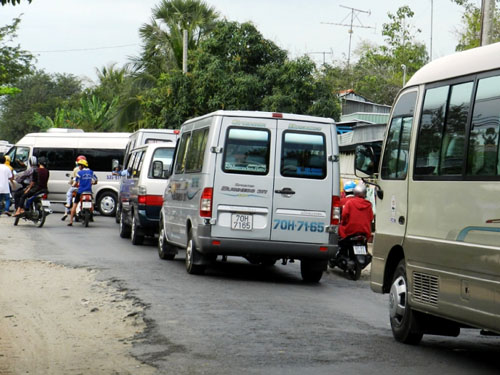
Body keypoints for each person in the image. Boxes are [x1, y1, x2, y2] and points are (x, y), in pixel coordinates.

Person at [67, 158, 97, 226]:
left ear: (82, 166)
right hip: (89, 192)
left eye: (79, 165)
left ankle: (71, 221)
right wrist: (92, 183)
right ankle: (91, 215)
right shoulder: (91, 172)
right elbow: (96, 180)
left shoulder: (79, 173)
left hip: (80, 192)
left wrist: (72, 185)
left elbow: (75, 183)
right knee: (91, 203)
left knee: (74, 205)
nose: (79, 167)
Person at [61, 155, 86, 221]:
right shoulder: (88, 170)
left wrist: (71, 182)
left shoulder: (76, 169)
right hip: (85, 188)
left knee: (69, 194)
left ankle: (66, 210)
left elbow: (72, 179)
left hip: (76, 187)